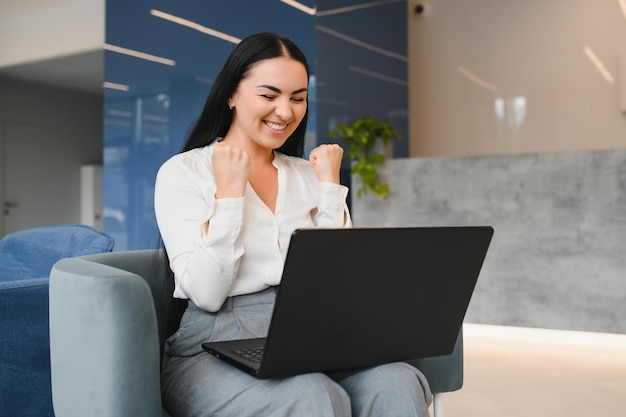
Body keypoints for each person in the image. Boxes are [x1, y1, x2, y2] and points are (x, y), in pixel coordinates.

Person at [154, 32, 432, 417]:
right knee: (309, 394)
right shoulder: (183, 172)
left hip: (314, 334)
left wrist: (331, 189)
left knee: (396, 382)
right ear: (231, 95)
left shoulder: (309, 174)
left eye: (298, 98)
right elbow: (208, 293)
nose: (285, 112)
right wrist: (230, 194)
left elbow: (343, 282)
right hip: (212, 344)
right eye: (269, 96)